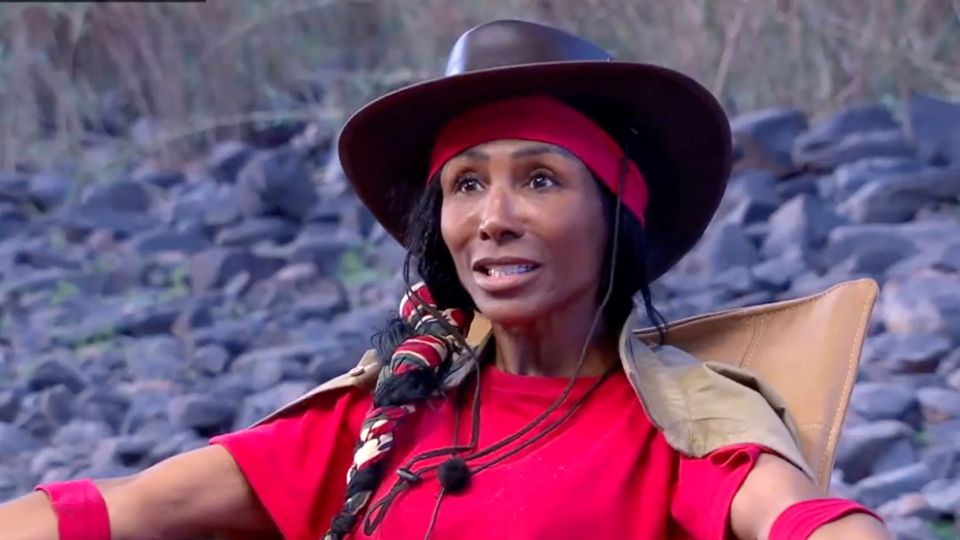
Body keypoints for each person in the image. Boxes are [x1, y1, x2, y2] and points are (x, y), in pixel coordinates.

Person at [1, 19, 892, 540]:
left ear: (614, 215)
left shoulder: (682, 428)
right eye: (466, 185)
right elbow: (119, 510)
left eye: (539, 179)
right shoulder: (378, 416)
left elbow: (800, 521)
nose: (492, 218)